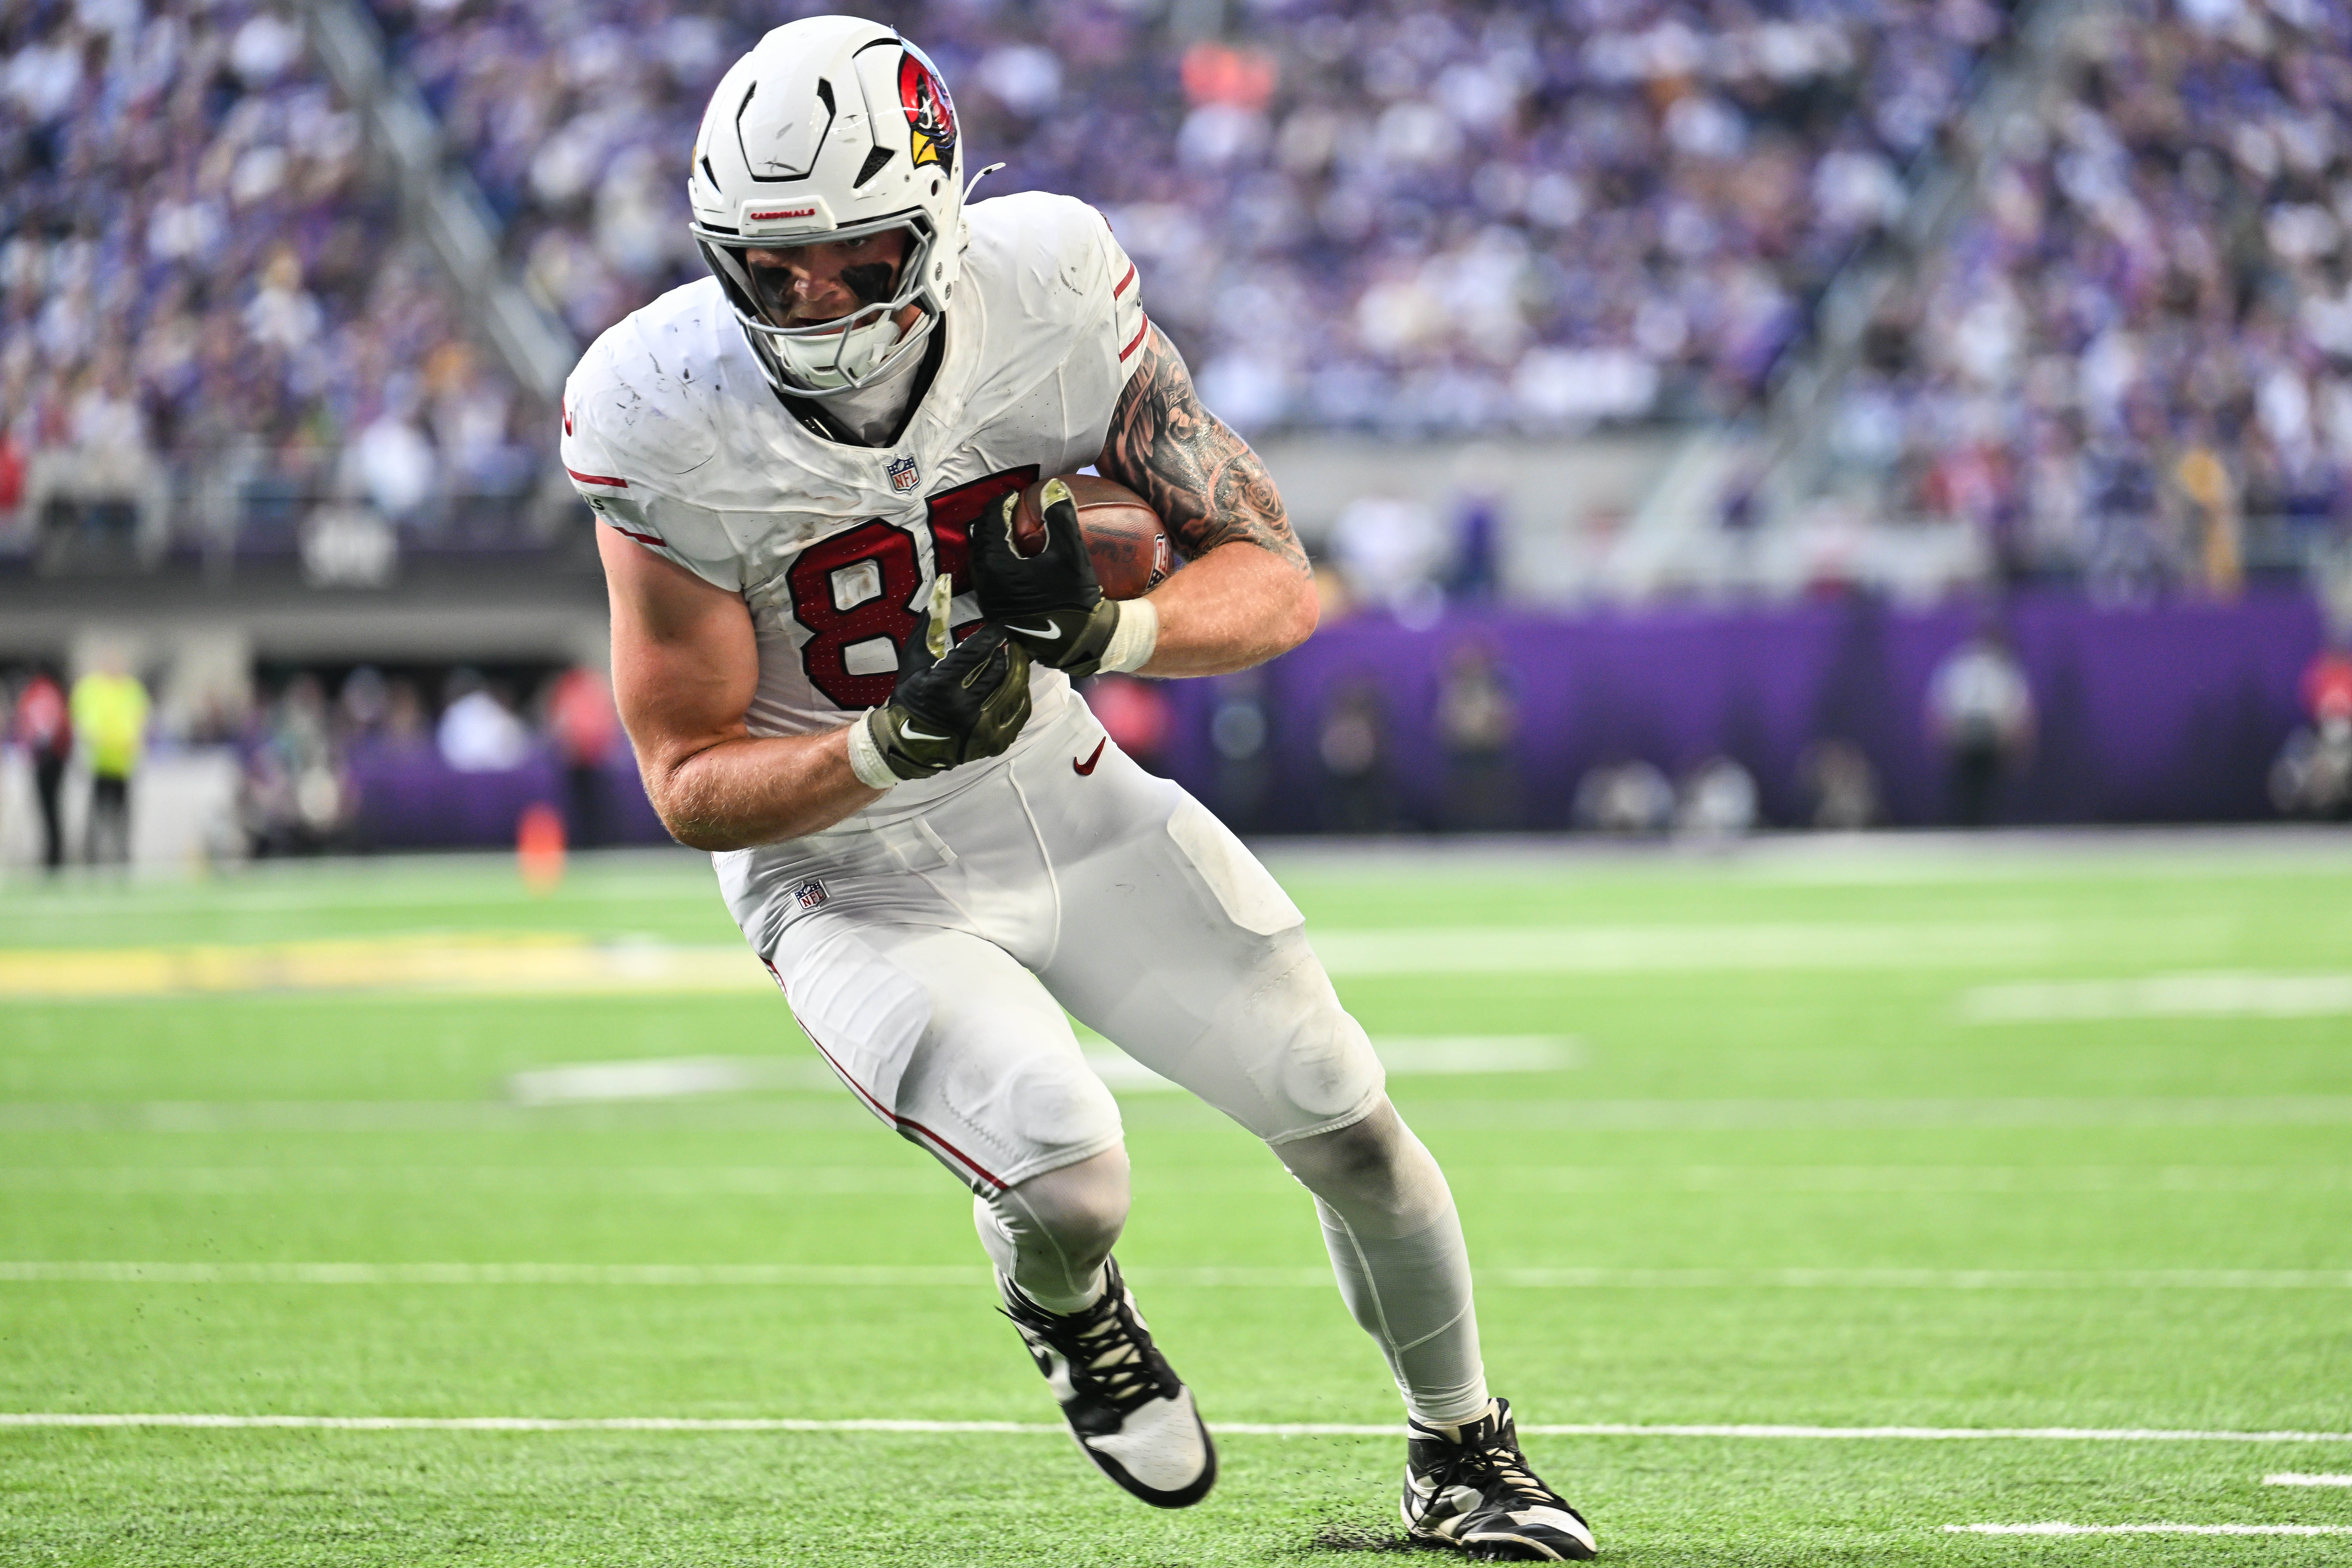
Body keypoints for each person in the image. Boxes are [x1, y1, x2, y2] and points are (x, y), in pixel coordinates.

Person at [563, 20, 1594, 1561]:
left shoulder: (1047, 290)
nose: (812, 298)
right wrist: (878, 746)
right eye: (772, 267)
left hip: (1058, 782)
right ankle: (1067, 1308)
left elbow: (1273, 578)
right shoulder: (655, 404)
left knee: (1346, 1114)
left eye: (853, 256)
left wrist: (1117, 629)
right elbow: (689, 780)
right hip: (844, 867)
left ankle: (1460, 1454)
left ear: (939, 217)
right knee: (1068, 1165)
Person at [1926, 625, 2034, 828]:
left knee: (1973, 796)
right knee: (1981, 797)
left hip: (1973, 736)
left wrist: (1941, 735)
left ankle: (1970, 832)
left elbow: (1940, 702)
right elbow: (2020, 708)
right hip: (1983, 737)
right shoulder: (2000, 666)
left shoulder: (1961, 663)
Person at [69, 654, 149, 866]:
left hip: (123, 764)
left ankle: (122, 857)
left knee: (122, 816)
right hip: (99, 762)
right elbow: (82, 719)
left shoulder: (132, 689)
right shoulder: (91, 688)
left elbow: (142, 719)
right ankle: (92, 858)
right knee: (97, 814)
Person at [11, 668, 71, 870]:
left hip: (46, 758)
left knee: (47, 808)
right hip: (56, 757)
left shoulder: (36, 695)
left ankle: (53, 856)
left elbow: (34, 728)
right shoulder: (54, 693)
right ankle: (55, 854)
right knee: (52, 809)